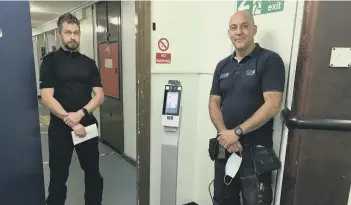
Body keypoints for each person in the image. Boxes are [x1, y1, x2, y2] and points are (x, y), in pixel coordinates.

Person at [208, 11, 285, 205]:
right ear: (229, 33)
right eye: (234, 28)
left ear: (254, 30)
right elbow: (213, 103)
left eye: (244, 26)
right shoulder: (222, 66)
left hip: (255, 153)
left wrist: (237, 132)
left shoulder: (269, 60)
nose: (239, 32)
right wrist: (226, 134)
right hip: (226, 148)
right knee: (223, 201)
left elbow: (273, 104)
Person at [40, 13, 104, 205]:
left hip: (87, 126)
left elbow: (99, 96)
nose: (72, 36)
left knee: (93, 174)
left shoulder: (88, 63)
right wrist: (70, 119)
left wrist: (81, 114)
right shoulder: (50, 62)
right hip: (60, 128)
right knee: (58, 178)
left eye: (76, 32)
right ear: (60, 34)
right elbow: (46, 98)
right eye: (68, 32)